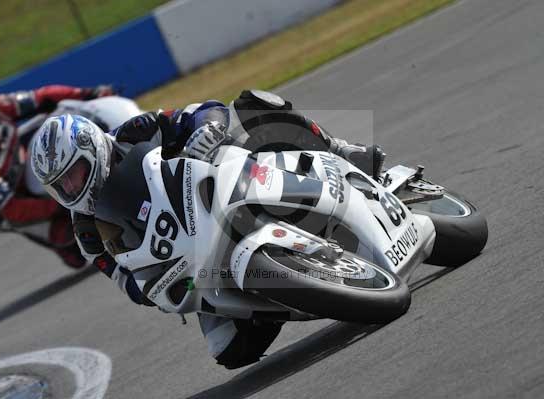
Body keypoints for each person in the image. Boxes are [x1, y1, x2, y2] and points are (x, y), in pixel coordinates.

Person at [30, 89, 385, 368]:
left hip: (223, 183)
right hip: (193, 258)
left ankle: (340, 151)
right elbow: (123, 279)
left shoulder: (135, 132)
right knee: (231, 350)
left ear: (90, 148)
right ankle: (288, 290)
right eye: (62, 187)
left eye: (74, 175)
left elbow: (203, 109)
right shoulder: (86, 231)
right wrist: (149, 288)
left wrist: (207, 128)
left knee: (251, 105)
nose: (73, 190)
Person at [0, 84, 114, 268]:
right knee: (63, 237)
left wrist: (85, 93)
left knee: (56, 122)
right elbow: (14, 209)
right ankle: (62, 246)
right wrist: (60, 203)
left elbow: (42, 97)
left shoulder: (0, 106)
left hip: (21, 161)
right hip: (5, 207)